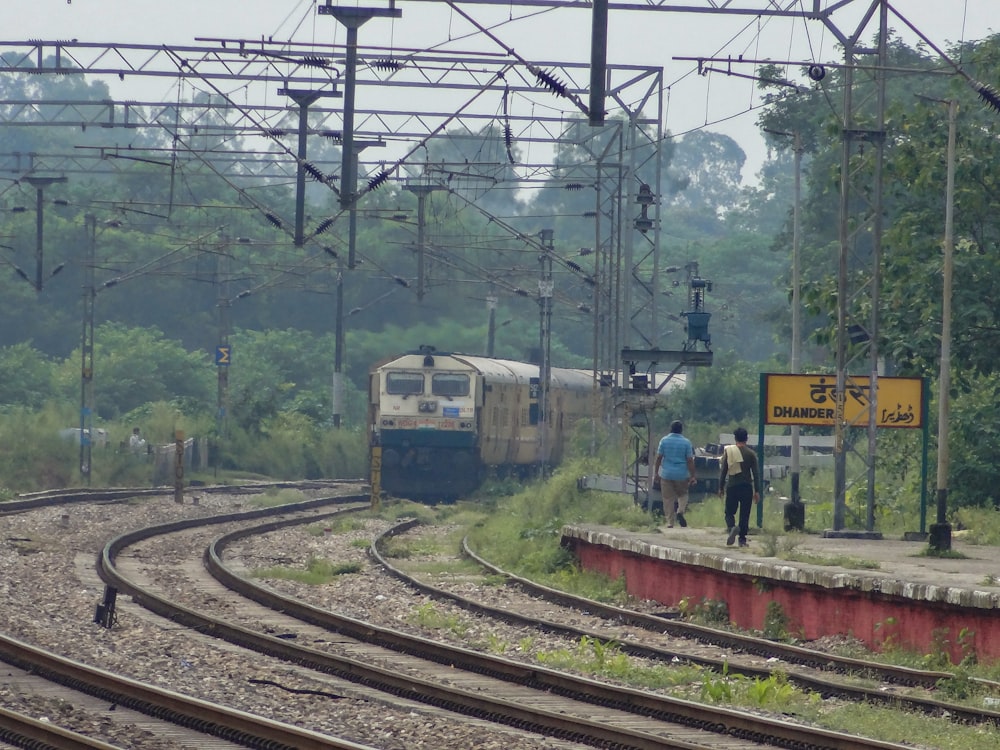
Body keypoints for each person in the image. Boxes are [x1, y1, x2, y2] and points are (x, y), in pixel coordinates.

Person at [719, 426, 760, 547]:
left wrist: (720, 487)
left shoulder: (729, 452)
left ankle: (732, 528)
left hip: (732, 486)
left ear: (735, 438)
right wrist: (757, 491)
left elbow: (723, 471)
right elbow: (756, 474)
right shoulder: (751, 454)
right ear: (747, 439)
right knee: (744, 513)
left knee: (729, 512)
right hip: (746, 487)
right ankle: (742, 540)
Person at [654, 420, 696, 528]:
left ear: (670, 429)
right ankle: (680, 511)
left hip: (666, 474)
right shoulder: (686, 442)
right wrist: (692, 475)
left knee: (668, 498)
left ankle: (670, 522)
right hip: (681, 474)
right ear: (681, 430)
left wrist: (656, 473)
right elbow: (690, 460)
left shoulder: (664, 440)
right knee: (683, 494)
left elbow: (659, 457)